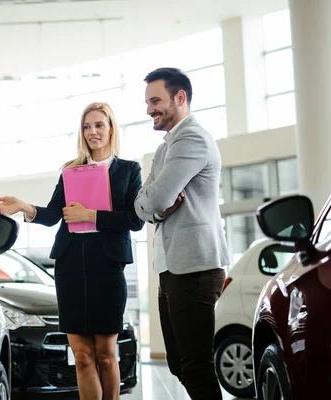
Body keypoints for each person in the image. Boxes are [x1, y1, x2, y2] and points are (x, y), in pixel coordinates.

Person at [0, 102, 144, 400]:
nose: (92, 132)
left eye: (99, 125)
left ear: (111, 128)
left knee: (106, 354)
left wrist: (90, 215)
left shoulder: (129, 170)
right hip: (71, 267)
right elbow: (53, 214)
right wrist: (22, 206)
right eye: (87, 127)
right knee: (82, 356)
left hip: (107, 268)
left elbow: (134, 220)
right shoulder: (71, 171)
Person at [134, 67, 229, 400]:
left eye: (156, 100)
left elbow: (155, 198)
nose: (149, 110)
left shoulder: (192, 137)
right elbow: (143, 204)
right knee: (178, 363)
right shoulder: (164, 147)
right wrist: (154, 207)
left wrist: (153, 205)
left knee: (195, 364)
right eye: (147, 102)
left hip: (195, 266)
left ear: (180, 97)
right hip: (174, 267)